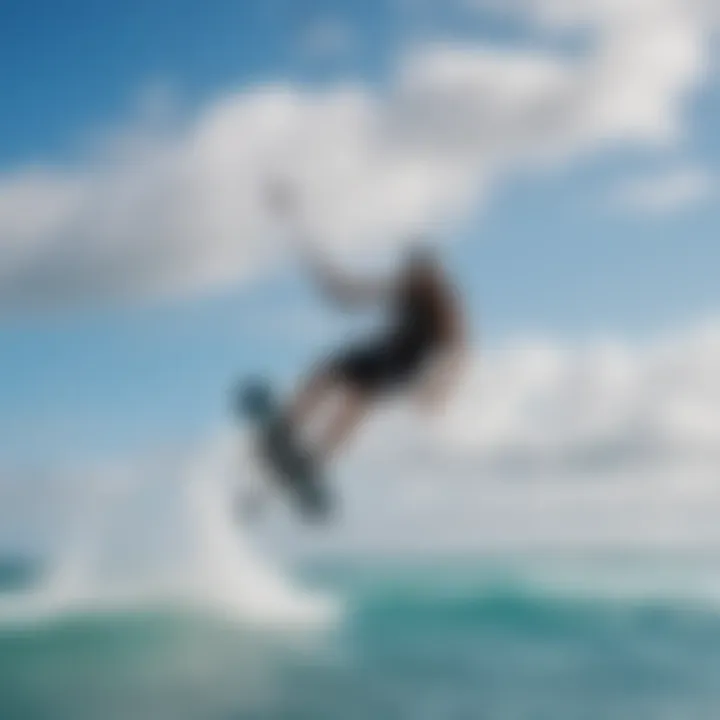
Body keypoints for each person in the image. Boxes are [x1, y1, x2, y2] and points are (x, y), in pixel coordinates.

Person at [266, 181, 468, 468]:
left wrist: (439, 389)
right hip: (385, 352)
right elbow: (351, 293)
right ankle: (285, 429)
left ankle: (320, 454)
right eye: (413, 276)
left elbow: (458, 351)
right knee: (329, 372)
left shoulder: (444, 305)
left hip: (405, 363)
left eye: (419, 277)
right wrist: (327, 274)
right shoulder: (407, 286)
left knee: (359, 395)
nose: (413, 281)